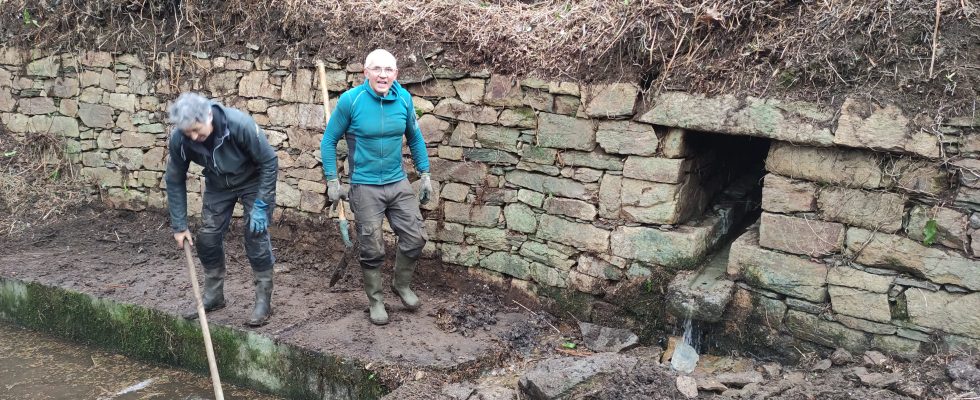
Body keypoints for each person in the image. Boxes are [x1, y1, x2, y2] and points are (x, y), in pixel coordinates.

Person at [321, 49, 433, 325]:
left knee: (416, 237)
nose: (383, 75)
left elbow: (415, 138)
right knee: (372, 247)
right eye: (377, 69)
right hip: (365, 186)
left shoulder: (404, 99)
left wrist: (425, 172)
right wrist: (332, 180)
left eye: (388, 70)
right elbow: (328, 141)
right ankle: (376, 301)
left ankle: (401, 284)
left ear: (396, 73)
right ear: (366, 73)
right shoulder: (351, 101)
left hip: (397, 182)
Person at [165, 92, 279, 327]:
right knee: (207, 237)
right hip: (218, 184)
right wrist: (179, 225)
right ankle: (214, 296)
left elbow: (269, 161)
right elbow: (175, 179)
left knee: (255, 235)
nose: (195, 137)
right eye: (189, 133)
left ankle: (263, 301)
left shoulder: (239, 125)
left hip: (252, 181)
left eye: (198, 130)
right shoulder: (180, 139)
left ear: (209, 116)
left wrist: (261, 204)